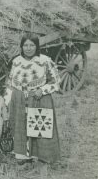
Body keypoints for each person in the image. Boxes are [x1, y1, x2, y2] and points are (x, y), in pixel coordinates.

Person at [4, 33, 61, 164]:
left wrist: (42, 90)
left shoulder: (45, 60)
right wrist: (6, 101)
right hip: (18, 100)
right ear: (21, 46)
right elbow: (10, 83)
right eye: (25, 45)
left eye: (31, 45)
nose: (28, 48)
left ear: (37, 46)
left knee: (39, 126)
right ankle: (22, 155)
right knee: (20, 125)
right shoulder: (16, 61)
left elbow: (56, 81)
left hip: (38, 98)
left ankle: (41, 155)